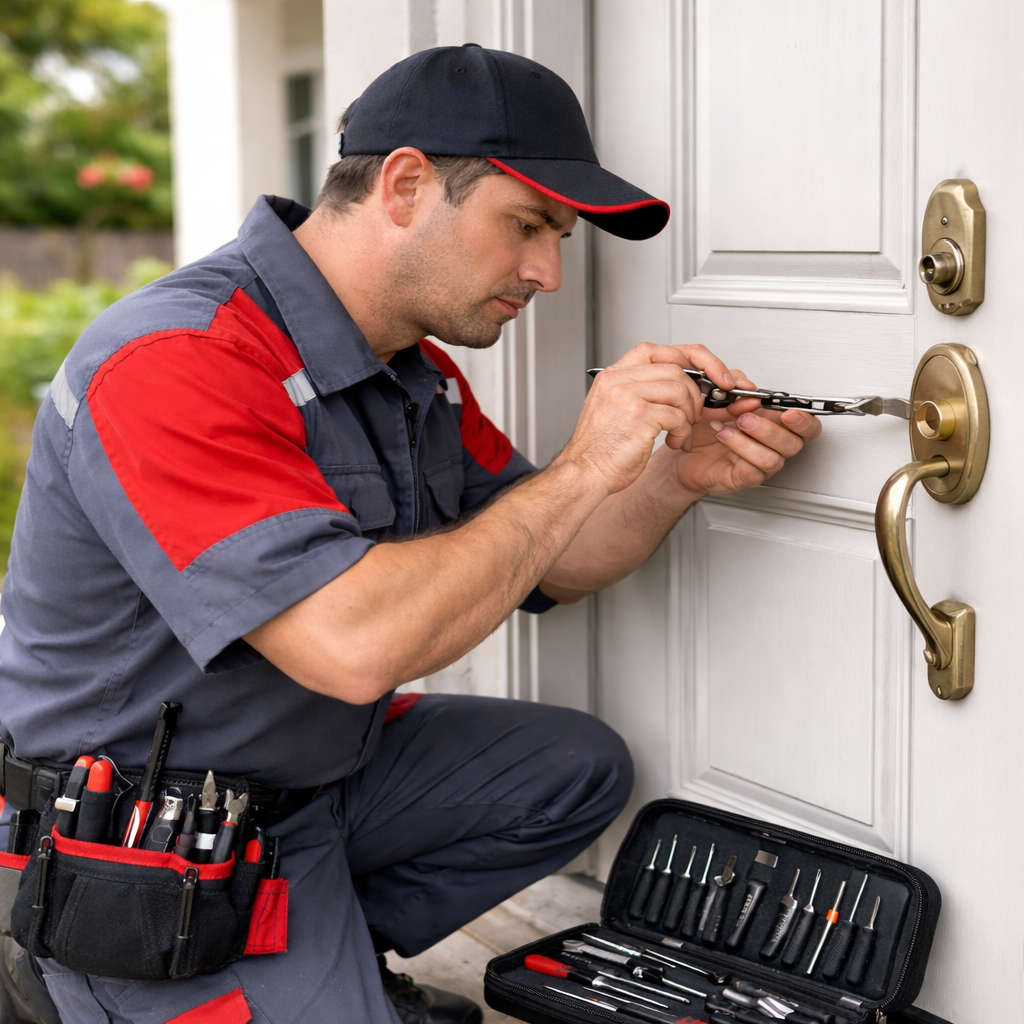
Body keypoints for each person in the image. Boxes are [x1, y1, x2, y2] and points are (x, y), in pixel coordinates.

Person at [0, 44, 821, 1024]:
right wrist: (580, 467)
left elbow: (548, 557)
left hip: (307, 789)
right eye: (527, 226)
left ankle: (319, 945)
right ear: (403, 184)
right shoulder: (178, 358)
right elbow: (350, 648)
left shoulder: (413, 373)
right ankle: (77, 977)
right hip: (142, 841)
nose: (548, 272)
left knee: (571, 769)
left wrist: (669, 481)